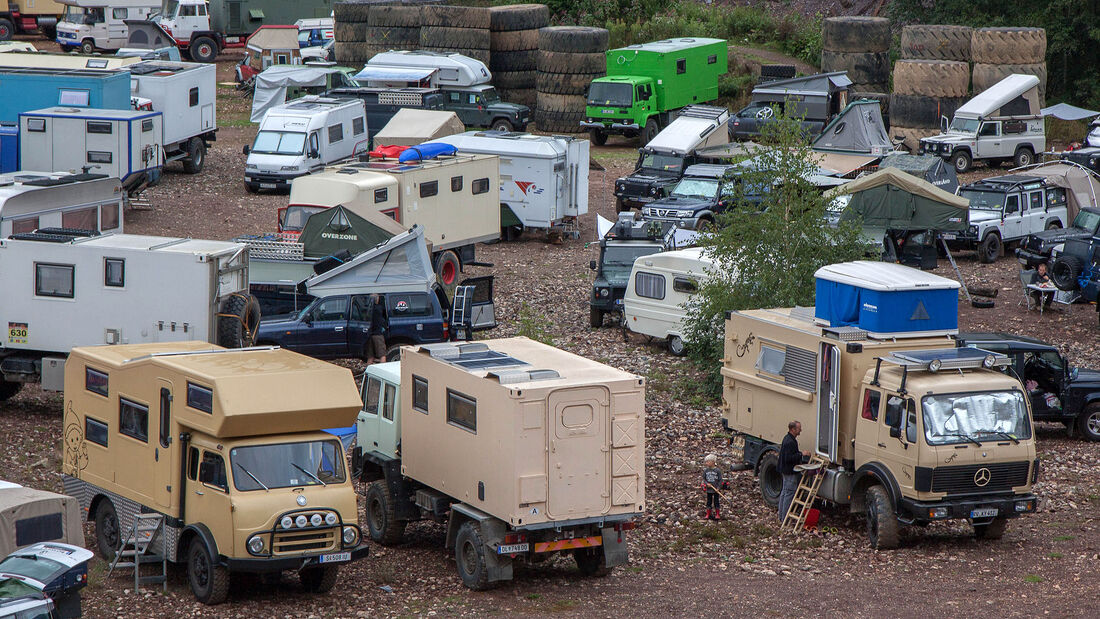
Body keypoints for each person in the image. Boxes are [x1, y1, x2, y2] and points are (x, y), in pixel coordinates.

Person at [777, 420, 810, 522]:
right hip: (790, 471)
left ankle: (781, 516)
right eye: (799, 428)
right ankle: (785, 518)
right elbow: (788, 458)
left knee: (784, 492)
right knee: (789, 494)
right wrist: (801, 454)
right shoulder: (790, 442)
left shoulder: (787, 439)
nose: (800, 430)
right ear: (793, 429)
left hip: (785, 470)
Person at [700, 454, 729, 521]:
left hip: (716, 490)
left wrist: (719, 487)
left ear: (713, 462)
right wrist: (707, 484)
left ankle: (717, 514)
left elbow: (720, 480)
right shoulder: (706, 471)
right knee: (708, 502)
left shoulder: (717, 471)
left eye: (708, 461)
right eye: (706, 462)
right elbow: (704, 479)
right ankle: (708, 514)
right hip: (709, 490)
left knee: (716, 502)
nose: (706, 463)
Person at [368, 294, 388, 365]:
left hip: (369, 335)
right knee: (382, 355)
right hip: (378, 334)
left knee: (370, 356)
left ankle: (367, 373)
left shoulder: (367, 310)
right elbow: (382, 320)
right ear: (377, 299)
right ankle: (384, 372)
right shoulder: (379, 308)